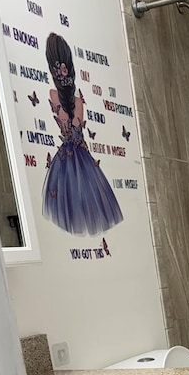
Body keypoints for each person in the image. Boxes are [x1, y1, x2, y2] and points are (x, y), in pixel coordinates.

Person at [42, 33, 123, 236]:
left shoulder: (54, 95)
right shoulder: (77, 101)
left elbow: (70, 127)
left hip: (68, 156)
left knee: (70, 200)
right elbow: (77, 129)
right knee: (82, 198)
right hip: (81, 154)